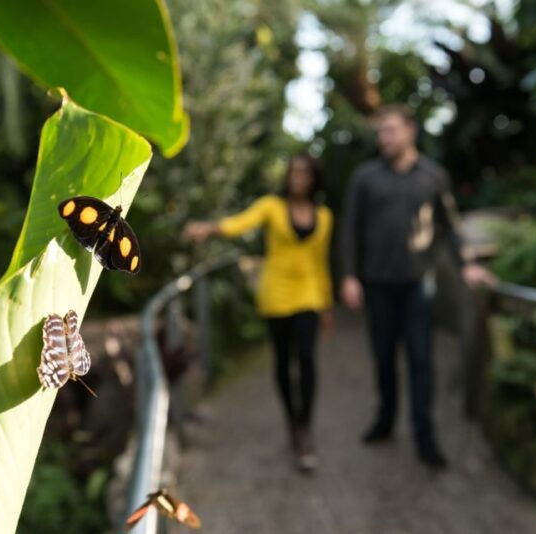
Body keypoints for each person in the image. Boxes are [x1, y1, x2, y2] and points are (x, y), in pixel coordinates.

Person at [340, 104, 495, 469]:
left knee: (421, 360)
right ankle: (384, 420)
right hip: (377, 283)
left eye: (390, 130)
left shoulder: (432, 176)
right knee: (382, 357)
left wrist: (468, 266)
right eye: (380, 132)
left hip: (417, 285)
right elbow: (350, 229)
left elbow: (451, 226)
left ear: (410, 131)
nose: (384, 138)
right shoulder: (365, 177)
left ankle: (425, 437)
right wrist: (349, 275)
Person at [183, 153, 333, 473]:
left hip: (308, 293)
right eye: (293, 172)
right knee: (282, 361)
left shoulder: (324, 216)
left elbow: (321, 263)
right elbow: (240, 223)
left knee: (306, 359)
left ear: (313, 178)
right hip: (276, 294)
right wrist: (208, 229)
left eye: (303, 173)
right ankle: (291, 420)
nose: (297, 178)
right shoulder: (271, 206)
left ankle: (304, 426)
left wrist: (326, 304)